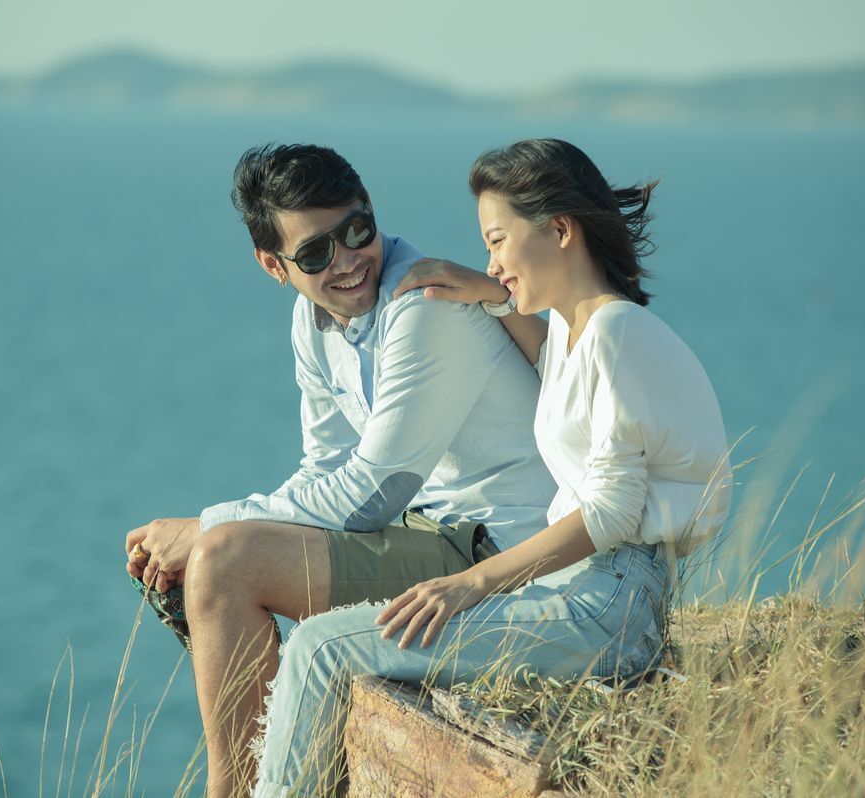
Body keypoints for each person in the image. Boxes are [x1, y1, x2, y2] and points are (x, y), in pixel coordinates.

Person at [251, 138, 733, 797]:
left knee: (321, 648)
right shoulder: (582, 332)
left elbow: (612, 514)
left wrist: (472, 583)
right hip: (580, 592)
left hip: (608, 608)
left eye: (498, 241)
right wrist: (493, 296)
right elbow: (559, 370)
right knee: (326, 641)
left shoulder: (617, 334)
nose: (492, 262)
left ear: (559, 230)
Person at [123, 143, 555, 796]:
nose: (348, 261)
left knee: (225, 562)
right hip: (435, 534)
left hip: (503, 557)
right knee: (226, 553)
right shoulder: (314, 318)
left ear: (372, 210)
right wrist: (222, 530)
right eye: (316, 253)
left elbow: (373, 494)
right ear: (273, 265)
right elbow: (322, 467)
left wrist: (208, 527)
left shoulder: (423, 305)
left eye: (357, 231)